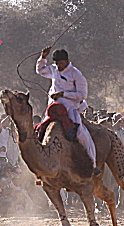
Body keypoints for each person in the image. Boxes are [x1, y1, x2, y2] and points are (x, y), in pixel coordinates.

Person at [36, 47, 100, 176]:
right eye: (57, 63)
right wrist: (42, 58)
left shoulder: (76, 74)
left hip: (70, 108)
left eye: (61, 63)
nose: (58, 66)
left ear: (67, 61)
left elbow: (82, 94)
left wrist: (63, 94)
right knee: (39, 130)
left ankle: (92, 164)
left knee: (80, 133)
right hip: (52, 107)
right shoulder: (53, 69)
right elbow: (40, 70)